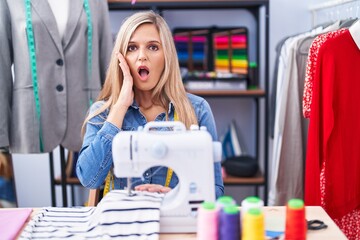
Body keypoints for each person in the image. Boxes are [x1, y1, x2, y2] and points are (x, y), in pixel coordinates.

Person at [76, 11, 224, 198]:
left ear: (167, 57)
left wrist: (176, 196)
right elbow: (89, 178)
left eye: (153, 47)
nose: (142, 56)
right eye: (131, 48)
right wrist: (120, 106)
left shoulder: (197, 109)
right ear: (120, 59)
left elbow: (216, 190)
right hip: (124, 224)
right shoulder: (104, 112)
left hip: (174, 223)